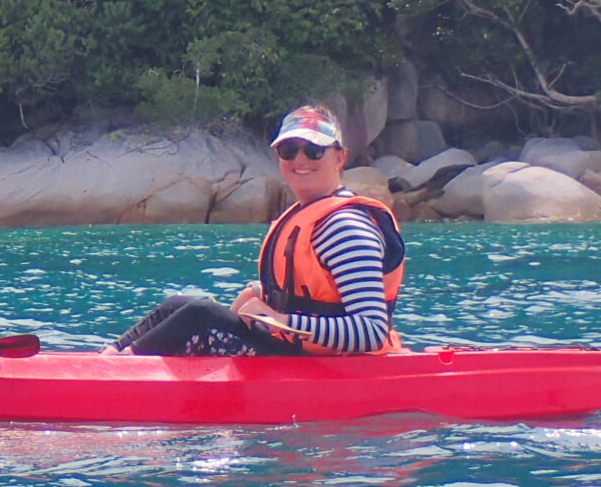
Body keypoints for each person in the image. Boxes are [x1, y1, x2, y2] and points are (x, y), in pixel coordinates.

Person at [107, 102, 404, 356]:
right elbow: (316, 292)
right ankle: (109, 358)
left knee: (200, 317)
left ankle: (120, 375)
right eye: (289, 150)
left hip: (338, 367)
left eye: (314, 151)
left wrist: (279, 319)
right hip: (296, 352)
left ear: (339, 157)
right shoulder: (310, 215)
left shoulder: (345, 228)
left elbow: (371, 330)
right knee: (180, 305)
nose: (300, 159)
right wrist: (262, 294)